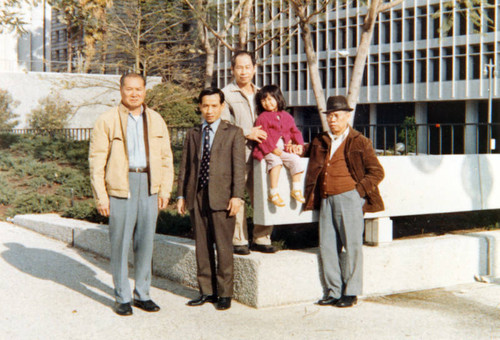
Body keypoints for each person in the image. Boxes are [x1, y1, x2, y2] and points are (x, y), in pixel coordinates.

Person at [89, 73, 174, 316]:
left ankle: (143, 294)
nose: (134, 93)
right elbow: (96, 161)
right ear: (121, 90)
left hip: (149, 184)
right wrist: (101, 196)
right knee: (120, 243)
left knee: (146, 243)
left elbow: (167, 158)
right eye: (129, 89)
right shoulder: (107, 120)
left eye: (139, 89)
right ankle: (122, 297)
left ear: (145, 91)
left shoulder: (157, 120)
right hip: (120, 185)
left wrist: (164, 189)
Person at [302, 95, 384, 308]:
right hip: (326, 200)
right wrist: (295, 148)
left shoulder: (360, 141)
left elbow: (376, 172)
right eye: (329, 116)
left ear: (348, 116)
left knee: (352, 246)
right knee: (328, 247)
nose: (332, 120)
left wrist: (358, 192)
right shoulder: (321, 140)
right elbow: (307, 151)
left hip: (349, 198)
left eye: (337, 116)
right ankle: (333, 291)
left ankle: (352, 292)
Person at [177, 88, 246, 311]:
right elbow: (185, 167)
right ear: (200, 106)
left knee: (224, 247)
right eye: (205, 105)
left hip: (223, 196)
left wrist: (237, 196)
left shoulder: (234, 132)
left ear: (222, 106)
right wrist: (181, 195)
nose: (209, 110)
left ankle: (225, 293)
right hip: (197, 195)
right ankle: (206, 290)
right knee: (202, 245)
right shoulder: (193, 133)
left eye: (214, 106)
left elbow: (239, 167)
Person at [221, 50, 275, 254]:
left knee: (264, 194)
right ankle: (239, 239)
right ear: (232, 69)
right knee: (237, 195)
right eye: (239, 67)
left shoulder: (264, 94)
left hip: (264, 153)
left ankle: (262, 237)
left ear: (254, 68)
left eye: (247, 67)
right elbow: (223, 125)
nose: (243, 71)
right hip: (238, 154)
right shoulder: (225, 94)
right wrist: (247, 132)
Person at [252, 85, 305, 207]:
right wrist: (272, 149)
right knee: (276, 162)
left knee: (295, 160)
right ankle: (273, 192)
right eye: (263, 100)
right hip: (268, 150)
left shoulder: (286, 116)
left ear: (278, 98)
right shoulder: (262, 117)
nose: (267, 103)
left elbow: (295, 131)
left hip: (283, 150)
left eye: (270, 99)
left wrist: (299, 144)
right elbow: (262, 138)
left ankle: (296, 189)